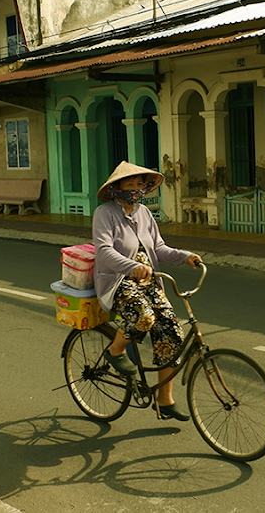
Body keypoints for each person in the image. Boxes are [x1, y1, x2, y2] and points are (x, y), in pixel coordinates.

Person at [92, 161, 202, 422]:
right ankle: (115, 351)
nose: (136, 189)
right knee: (144, 316)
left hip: (150, 282)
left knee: (172, 334)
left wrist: (186, 257)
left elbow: (159, 249)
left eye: (140, 184)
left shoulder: (144, 213)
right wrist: (132, 267)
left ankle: (165, 401)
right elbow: (104, 251)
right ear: (116, 188)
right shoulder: (104, 213)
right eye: (130, 184)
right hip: (118, 281)